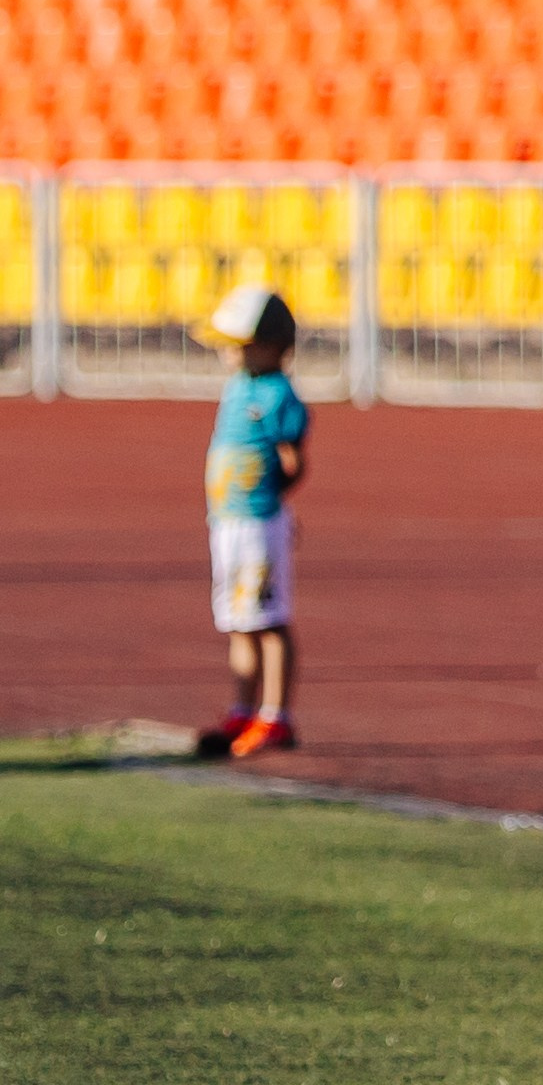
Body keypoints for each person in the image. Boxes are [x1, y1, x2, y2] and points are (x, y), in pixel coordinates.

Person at [194, 283, 307, 759]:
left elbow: (290, 462)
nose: (227, 354)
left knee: (267, 620)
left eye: (236, 345)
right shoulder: (238, 387)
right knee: (239, 621)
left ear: (268, 346)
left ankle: (274, 714)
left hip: (258, 521)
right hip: (228, 522)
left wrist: (277, 505)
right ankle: (242, 707)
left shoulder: (278, 394)